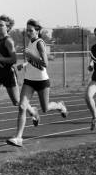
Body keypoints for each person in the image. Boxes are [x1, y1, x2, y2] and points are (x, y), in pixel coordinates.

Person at [6, 19, 68, 147]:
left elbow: (45, 63)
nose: (28, 33)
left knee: (45, 108)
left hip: (42, 81)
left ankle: (60, 105)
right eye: (27, 30)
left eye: (31, 30)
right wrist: (23, 65)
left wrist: (30, 56)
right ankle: (18, 137)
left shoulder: (40, 43)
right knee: (22, 107)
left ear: (38, 31)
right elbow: (32, 61)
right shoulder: (30, 41)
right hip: (29, 80)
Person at [0, 15, 38, 140]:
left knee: (17, 101)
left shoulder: (8, 41)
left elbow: (13, 59)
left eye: (1, 25)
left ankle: (32, 111)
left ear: (8, 27)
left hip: (8, 74)